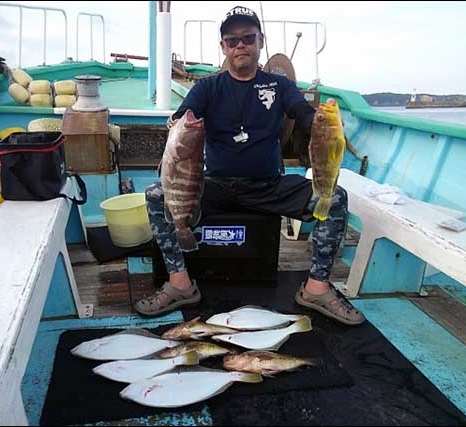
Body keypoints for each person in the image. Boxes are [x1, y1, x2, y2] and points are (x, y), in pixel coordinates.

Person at [134, 5, 364, 326]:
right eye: (232, 40)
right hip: (214, 185)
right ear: (223, 47)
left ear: (260, 41)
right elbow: (184, 114)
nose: (240, 45)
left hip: (268, 186)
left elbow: (300, 111)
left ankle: (316, 288)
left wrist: (321, 123)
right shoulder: (207, 87)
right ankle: (180, 284)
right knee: (157, 195)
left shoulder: (279, 85)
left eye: (248, 38)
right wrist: (176, 123)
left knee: (335, 198)